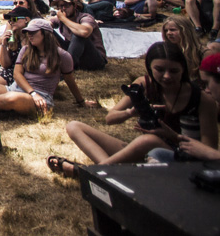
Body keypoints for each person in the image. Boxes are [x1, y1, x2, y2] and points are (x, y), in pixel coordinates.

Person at [53, 42, 218, 178]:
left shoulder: (201, 99)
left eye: (174, 71)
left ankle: (94, 174)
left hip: (179, 157)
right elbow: (110, 118)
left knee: (149, 140)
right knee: (74, 126)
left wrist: (172, 137)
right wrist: (130, 112)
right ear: (150, 68)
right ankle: (108, 173)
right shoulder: (145, 84)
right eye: (160, 70)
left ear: (183, 70)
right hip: (143, 151)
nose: (167, 76)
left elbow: (206, 150)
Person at [0, 19, 95, 117]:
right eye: (28, 33)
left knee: (11, 98)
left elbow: (70, 80)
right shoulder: (26, 50)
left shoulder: (62, 55)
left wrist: (81, 101)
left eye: (33, 32)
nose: (30, 36)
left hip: (40, 97)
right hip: (15, 89)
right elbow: (17, 74)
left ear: (45, 34)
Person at [50, 0, 107, 71]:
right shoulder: (60, 18)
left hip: (94, 59)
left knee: (78, 35)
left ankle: (66, 67)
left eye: (67, 5)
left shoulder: (85, 17)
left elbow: (84, 32)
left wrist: (63, 19)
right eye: (61, 6)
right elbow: (46, 23)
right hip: (75, 56)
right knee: (46, 31)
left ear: (75, 6)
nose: (63, 8)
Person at [161, 16, 204, 86]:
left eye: (172, 30)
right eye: (166, 30)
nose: (168, 33)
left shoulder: (202, 52)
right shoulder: (165, 51)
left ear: (185, 31)